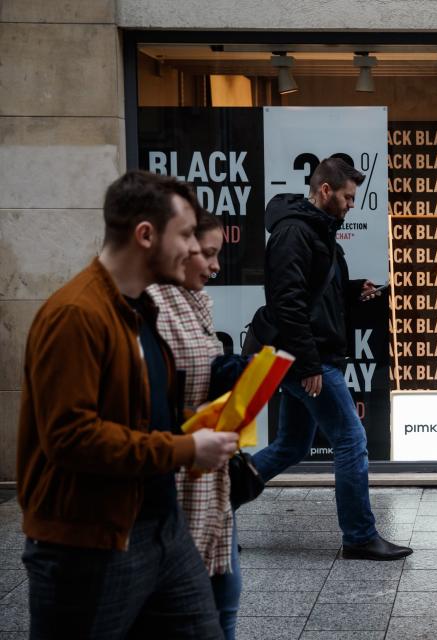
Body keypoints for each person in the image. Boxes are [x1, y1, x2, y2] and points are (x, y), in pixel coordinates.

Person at [17, 170, 239, 639]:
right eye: (183, 235)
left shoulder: (141, 310)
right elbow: (71, 438)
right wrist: (184, 449)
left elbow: (142, 414)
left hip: (161, 528)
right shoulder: (76, 314)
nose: (192, 249)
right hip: (90, 543)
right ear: (145, 235)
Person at [250, 157, 411, 561]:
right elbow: (287, 303)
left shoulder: (318, 232)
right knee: (351, 439)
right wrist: (306, 365)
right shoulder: (293, 234)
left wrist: (354, 289)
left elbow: (315, 292)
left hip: (305, 353)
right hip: (305, 357)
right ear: (325, 191)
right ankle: (359, 536)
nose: (351, 205)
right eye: (347, 196)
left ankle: (214, 506)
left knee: (290, 445)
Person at [148, 210, 241, 639]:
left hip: (211, 477)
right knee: (202, 607)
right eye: (207, 253)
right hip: (180, 479)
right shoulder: (148, 309)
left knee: (226, 595)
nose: (215, 265)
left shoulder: (195, 300)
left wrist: (231, 375)